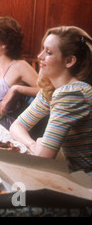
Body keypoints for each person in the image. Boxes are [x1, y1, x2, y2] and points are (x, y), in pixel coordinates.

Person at [10, 26, 92, 174]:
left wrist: (39, 148)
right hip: (72, 174)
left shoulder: (72, 93)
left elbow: (44, 157)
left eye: (48, 52)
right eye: (43, 49)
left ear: (69, 61)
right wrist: (34, 144)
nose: (40, 55)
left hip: (86, 183)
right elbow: (16, 126)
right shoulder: (51, 89)